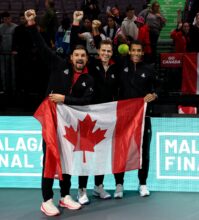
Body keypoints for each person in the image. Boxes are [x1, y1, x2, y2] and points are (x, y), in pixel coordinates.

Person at [25, 9, 94, 216]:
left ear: (86, 59)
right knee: (50, 159)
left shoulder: (88, 79)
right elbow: (42, 47)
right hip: (51, 121)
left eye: (83, 55)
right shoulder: (59, 65)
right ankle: (47, 200)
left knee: (67, 160)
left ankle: (65, 196)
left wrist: (65, 99)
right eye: (76, 55)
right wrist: (31, 25)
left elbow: (86, 101)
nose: (79, 58)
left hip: (70, 126)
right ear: (71, 57)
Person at [70, 10, 118, 204]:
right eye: (103, 51)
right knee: (86, 154)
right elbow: (75, 45)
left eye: (108, 51)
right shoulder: (92, 67)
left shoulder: (116, 68)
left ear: (112, 53)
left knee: (102, 155)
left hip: (107, 118)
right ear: (98, 52)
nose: (105, 53)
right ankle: (81, 189)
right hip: (89, 117)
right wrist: (80, 25)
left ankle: (98, 186)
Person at [117, 40, 158, 197]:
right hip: (124, 117)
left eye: (138, 50)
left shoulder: (149, 69)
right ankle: (119, 184)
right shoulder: (122, 67)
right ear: (129, 51)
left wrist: (154, 94)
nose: (135, 53)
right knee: (122, 150)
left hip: (143, 117)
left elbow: (159, 86)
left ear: (142, 52)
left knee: (144, 151)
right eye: (133, 50)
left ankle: (142, 183)